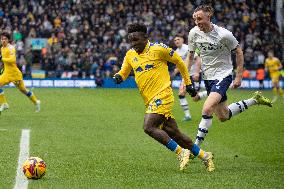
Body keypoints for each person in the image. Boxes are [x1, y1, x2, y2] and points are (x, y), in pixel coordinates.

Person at [113, 23, 214, 171]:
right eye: (131, 41)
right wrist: (118, 77)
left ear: (145, 37)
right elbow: (124, 72)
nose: (133, 44)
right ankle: (205, 156)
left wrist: (188, 83)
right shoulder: (130, 55)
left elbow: (179, 61)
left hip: (163, 95)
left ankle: (180, 152)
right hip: (149, 100)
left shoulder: (159, 49)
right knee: (175, 133)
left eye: (136, 40)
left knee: (148, 127)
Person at [186, 5, 272, 147]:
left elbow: (238, 51)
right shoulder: (193, 33)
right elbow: (190, 56)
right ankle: (254, 100)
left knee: (207, 109)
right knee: (223, 116)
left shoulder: (224, 34)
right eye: (195, 19)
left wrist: (238, 77)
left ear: (209, 16)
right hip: (207, 77)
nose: (197, 22)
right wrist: (185, 77)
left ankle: (195, 149)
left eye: (200, 18)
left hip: (223, 75)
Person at [0, 31, 40, 113]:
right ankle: (4, 104)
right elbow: (4, 62)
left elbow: (12, 60)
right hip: (7, 73)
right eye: (2, 39)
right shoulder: (2, 48)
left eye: (5, 39)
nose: (3, 40)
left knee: (23, 90)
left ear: (8, 40)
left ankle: (36, 102)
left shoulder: (11, 48)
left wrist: (2, 59)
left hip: (15, 74)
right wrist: (2, 67)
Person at [172, 34, 207, 121]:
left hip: (194, 74)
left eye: (178, 39)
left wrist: (196, 72)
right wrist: (177, 69)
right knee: (181, 94)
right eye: (175, 40)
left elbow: (198, 59)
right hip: (186, 76)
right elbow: (180, 64)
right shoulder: (176, 52)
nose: (176, 41)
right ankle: (187, 116)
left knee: (195, 98)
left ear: (183, 40)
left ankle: (211, 92)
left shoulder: (188, 48)